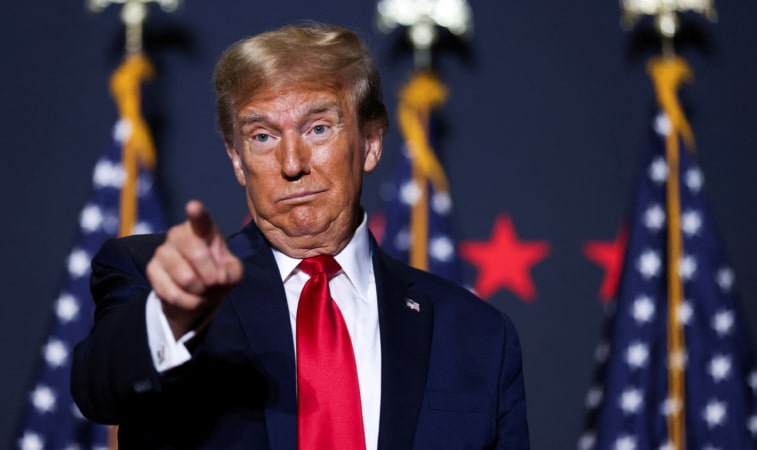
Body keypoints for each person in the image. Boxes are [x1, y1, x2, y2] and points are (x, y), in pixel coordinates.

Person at [72, 22, 529, 449]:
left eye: (318, 128)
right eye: (263, 136)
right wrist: (171, 315)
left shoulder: (478, 334)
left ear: (371, 142)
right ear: (236, 159)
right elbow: (97, 389)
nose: (292, 163)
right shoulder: (157, 282)